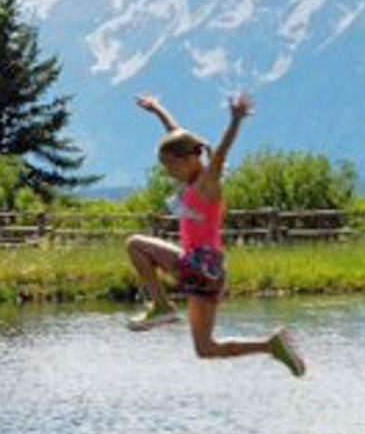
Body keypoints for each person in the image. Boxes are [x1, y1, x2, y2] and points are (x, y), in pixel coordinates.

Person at [125, 93, 306, 377]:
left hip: (199, 264)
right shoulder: (192, 172)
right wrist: (158, 108)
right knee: (206, 348)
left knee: (135, 245)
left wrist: (235, 122)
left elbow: (219, 155)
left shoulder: (208, 183)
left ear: (189, 159)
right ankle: (272, 346)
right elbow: (177, 134)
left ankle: (161, 305)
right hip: (207, 270)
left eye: (171, 166)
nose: (169, 173)